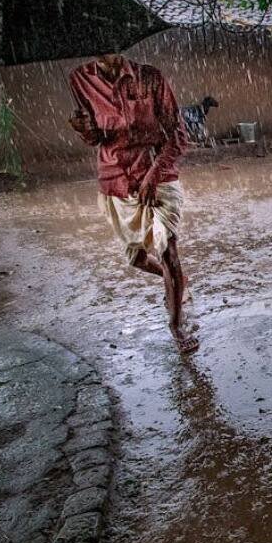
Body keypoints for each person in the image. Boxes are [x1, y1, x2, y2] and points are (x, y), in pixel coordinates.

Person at [69, 54, 198, 354]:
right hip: (115, 179)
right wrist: (84, 129)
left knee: (168, 249)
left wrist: (154, 174)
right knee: (137, 259)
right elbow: (97, 138)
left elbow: (178, 135)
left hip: (157, 175)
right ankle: (175, 280)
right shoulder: (80, 79)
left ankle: (176, 324)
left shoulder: (150, 77)